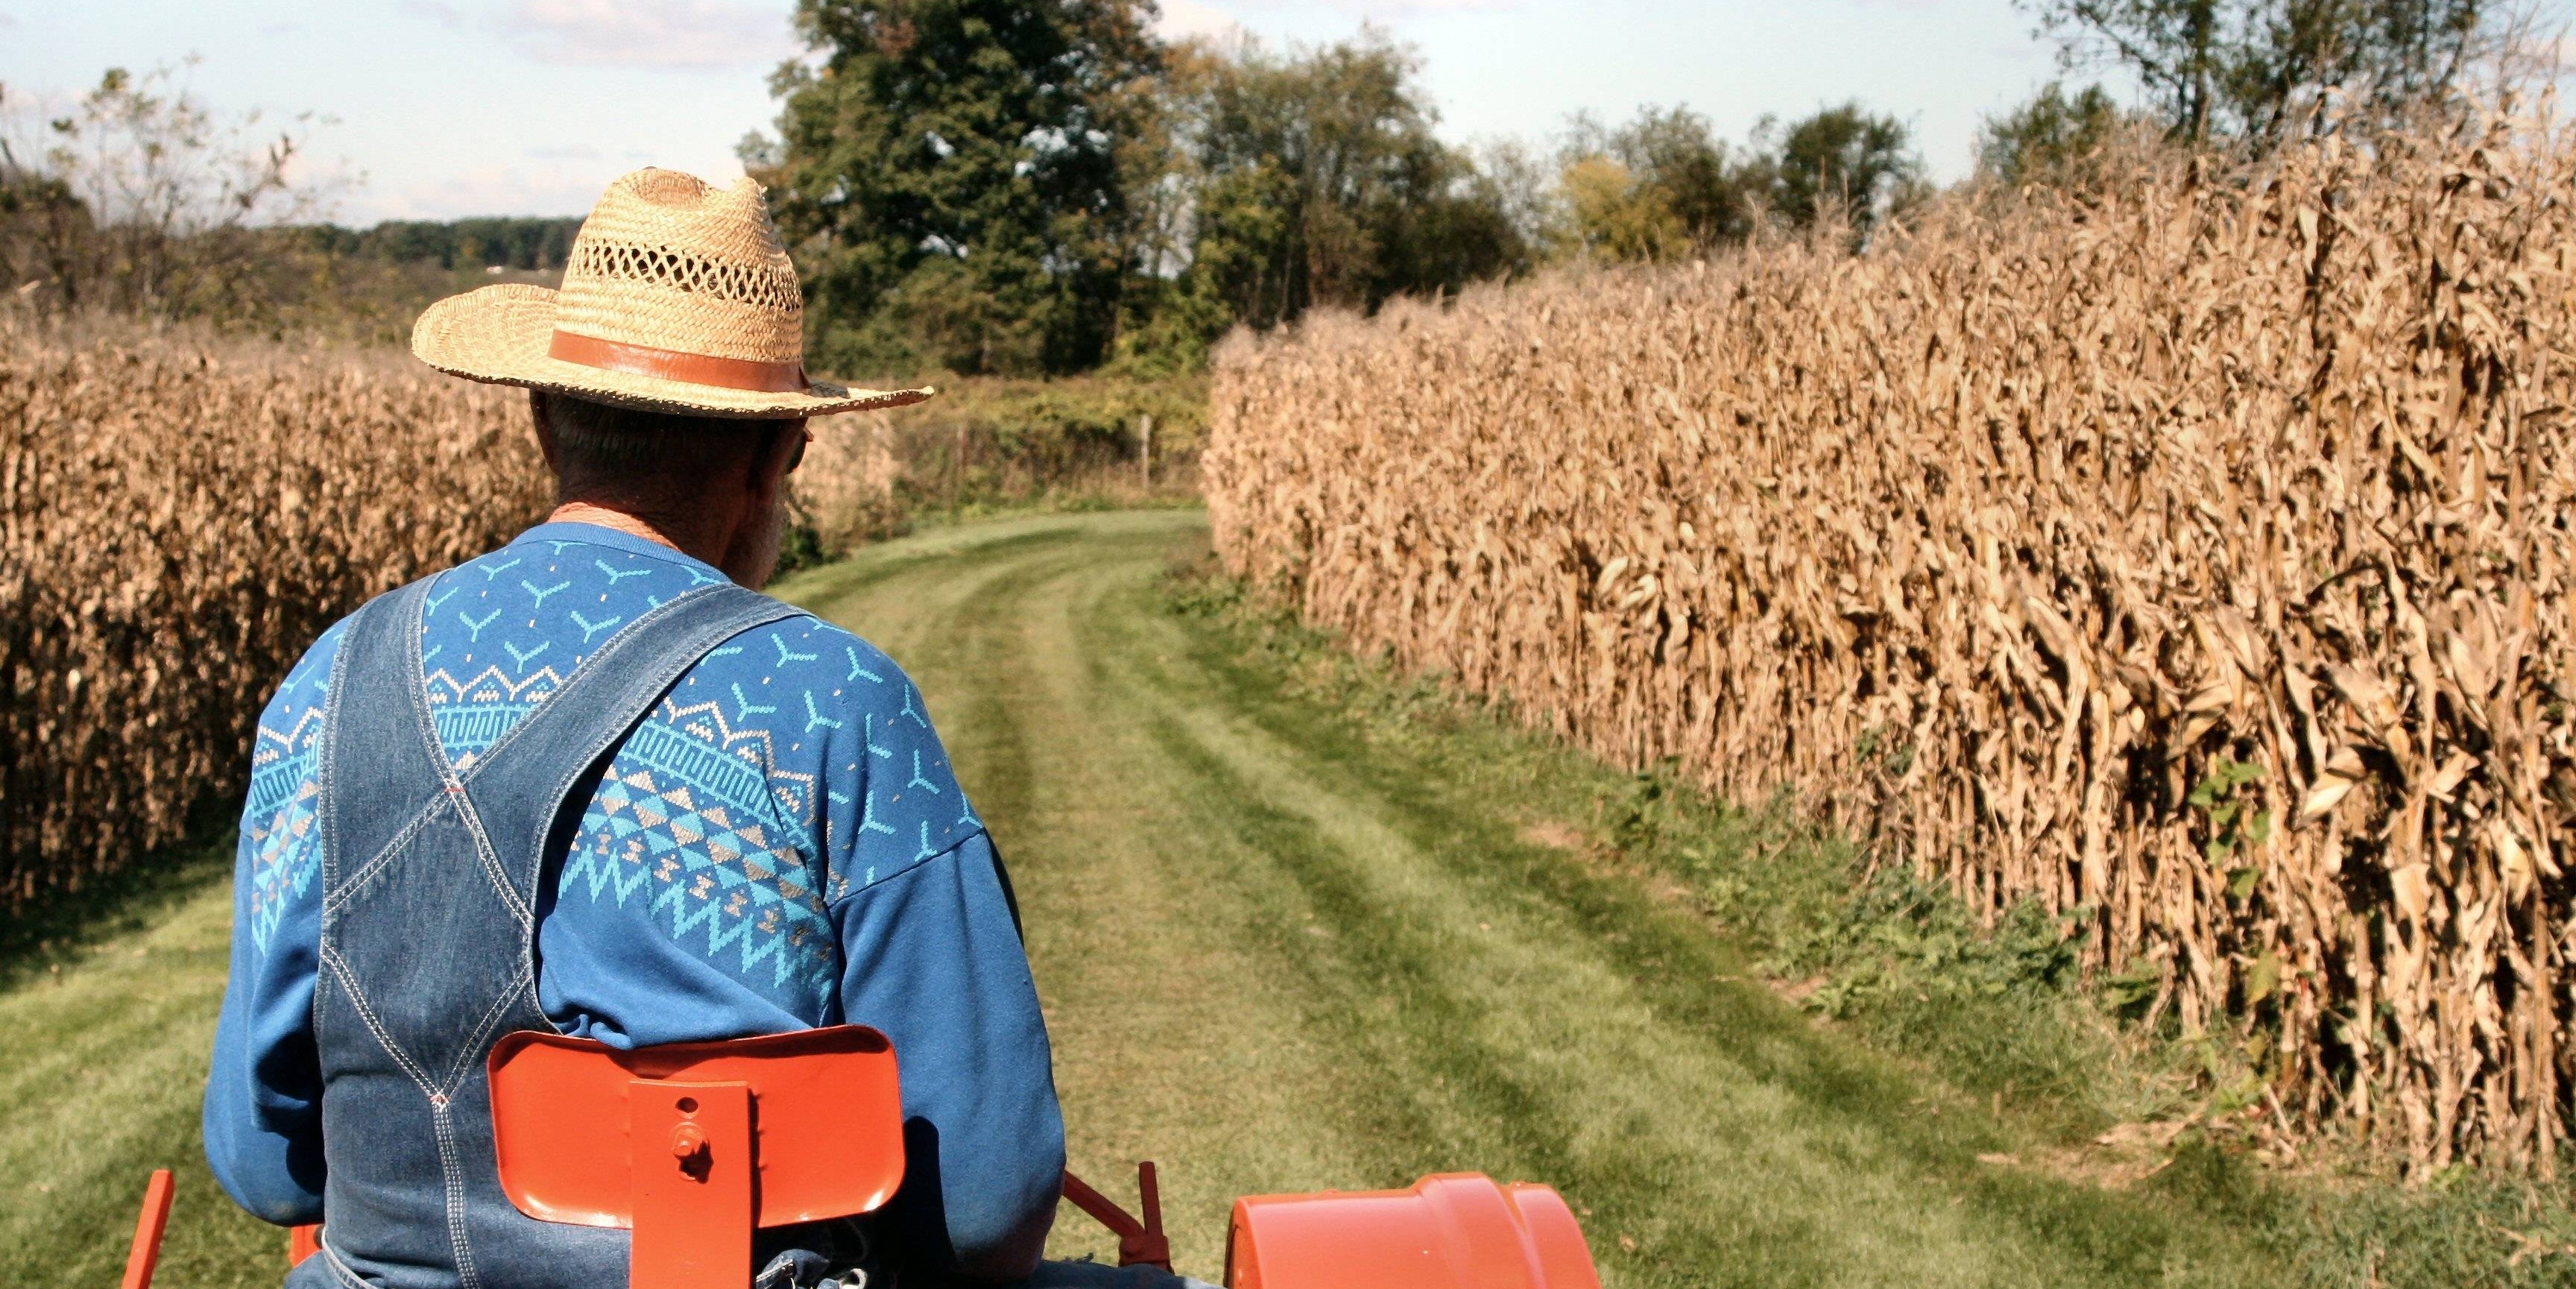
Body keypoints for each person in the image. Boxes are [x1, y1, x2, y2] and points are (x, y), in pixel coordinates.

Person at [203, 168, 1202, 1289]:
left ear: (544, 420)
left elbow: (265, 1166)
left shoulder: (327, 684)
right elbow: (984, 1199)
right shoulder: (833, 704)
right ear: (779, 455)